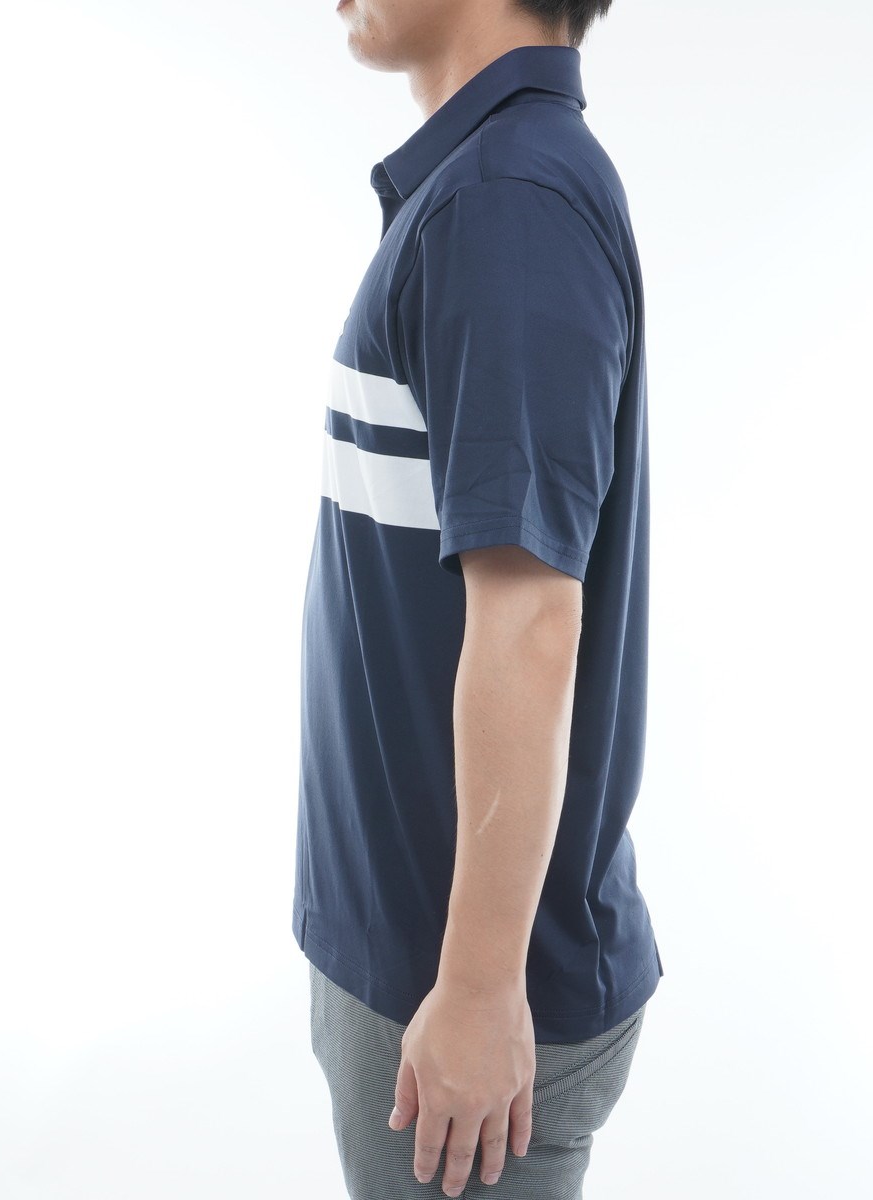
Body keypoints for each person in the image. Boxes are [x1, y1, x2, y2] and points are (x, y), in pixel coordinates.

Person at [294, 2, 664, 1195]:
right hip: (423, 963)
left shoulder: (509, 205)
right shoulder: (488, 186)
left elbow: (530, 617)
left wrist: (477, 984)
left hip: (455, 999)